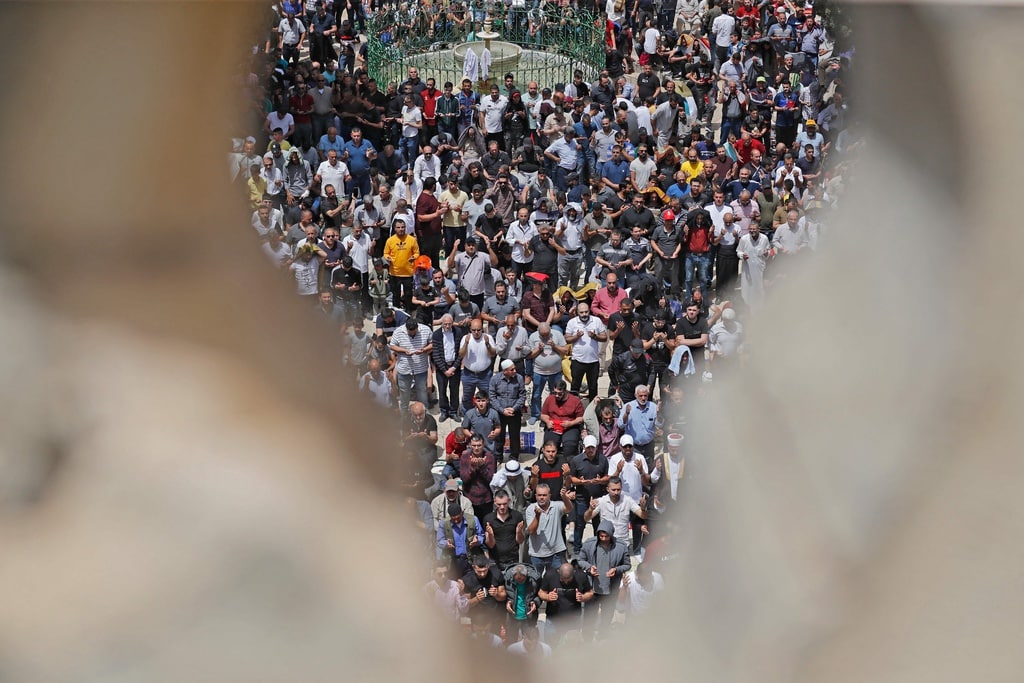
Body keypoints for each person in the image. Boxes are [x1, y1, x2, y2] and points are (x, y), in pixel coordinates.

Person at [576, 519, 630, 641]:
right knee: (589, 616)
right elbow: (580, 560)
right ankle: (587, 639)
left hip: (610, 590)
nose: (604, 538)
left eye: (606, 536)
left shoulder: (621, 547)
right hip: (592, 588)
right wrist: (589, 568)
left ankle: (602, 638)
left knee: (607, 616)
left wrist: (616, 570)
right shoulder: (589, 544)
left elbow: (627, 565)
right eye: (601, 536)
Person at [568, 435, 611, 554]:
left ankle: (598, 547)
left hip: (598, 497)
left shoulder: (603, 459)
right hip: (582, 497)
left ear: (596, 447)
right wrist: (581, 482)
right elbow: (572, 478)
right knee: (580, 524)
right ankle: (577, 549)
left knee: (597, 524)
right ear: (583, 447)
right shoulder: (576, 460)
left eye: (592, 448)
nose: (590, 450)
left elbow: (607, 477)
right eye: (588, 448)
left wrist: (600, 481)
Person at [585, 474, 647, 553]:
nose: (616, 492)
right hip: (606, 544)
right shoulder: (602, 501)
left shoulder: (628, 500)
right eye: (613, 490)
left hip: (623, 544)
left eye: (618, 489)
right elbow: (586, 518)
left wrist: (643, 508)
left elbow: (643, 516)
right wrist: (590, 509)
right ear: (607, 489)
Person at [537, 562, 594, 646]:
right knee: (551, 645)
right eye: (563, 580)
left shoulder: (581, 576)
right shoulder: (550, 575)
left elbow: (590, 592)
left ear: (573, 573)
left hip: (573, 619)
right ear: (558, 572)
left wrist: (583, 597)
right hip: (553, 619)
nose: (566, 582)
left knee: (571, 647)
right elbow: (541, 592)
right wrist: (548, 597)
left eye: (569, 580)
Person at [523, 483, 574, 576]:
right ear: (535, 496)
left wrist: (565, 497)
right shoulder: (531, 509)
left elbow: (569, 508)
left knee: (557, 580)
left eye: (544, 495)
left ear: (549, 496)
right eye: (539, 495)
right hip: (536, 554)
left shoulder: (557, 506)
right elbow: (531, 531)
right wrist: (537, 517)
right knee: (535, 582)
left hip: (556, 553)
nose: (542, 498)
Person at [564, 302, 608, 402]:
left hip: (593, 361)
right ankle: (573, 408)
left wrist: (595, 336)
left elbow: (604, 337)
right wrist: (576, 336)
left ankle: (593, 409)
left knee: (593, 387)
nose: (584, 314)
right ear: (577, 313)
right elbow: (567, 339)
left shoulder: (596, 321)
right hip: (578, 360)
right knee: (575, 386)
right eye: (581, 312)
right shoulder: (572, 322)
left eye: (586, 312)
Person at [526, 323, 568, 426]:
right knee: (536, 395)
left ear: (550, 330)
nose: (545, 336)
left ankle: (553, 413)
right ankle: (536, 414)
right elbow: (529, 355)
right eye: (542, 334)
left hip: (556, 372)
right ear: (538, 331)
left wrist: (554, 346)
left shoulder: (557, 334)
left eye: (547, 334)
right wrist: (539, 349)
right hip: (539, 372)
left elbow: (565, 350)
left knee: (555, 394)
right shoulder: (533, 337)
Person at [389, 316, 432, 415]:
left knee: (422, 389)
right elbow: (392, 346)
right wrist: (404, 351)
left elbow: (432, 343)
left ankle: (424, 410)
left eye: (414, 332)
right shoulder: (398, 332)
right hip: (405, 368)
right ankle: (404, 412)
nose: (412, 334)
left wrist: (424, 350)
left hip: (420, 367)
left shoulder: (425, 329)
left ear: (417, 327)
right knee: (404, 391)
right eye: (410, 333)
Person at [489, 360, 528, 462]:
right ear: (505, 371)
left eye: (515, 368)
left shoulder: (519, 378)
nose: (515, 371)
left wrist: (514, 408)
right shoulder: (495, 379)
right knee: (499, 436)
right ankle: (498, 457)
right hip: (499, 413)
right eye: (512, 369)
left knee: (514, 436)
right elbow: (492, 397)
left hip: (514, 412)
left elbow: (522, 395)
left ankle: (514, 457)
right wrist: (502, 410)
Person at [436, 503, 484, 579]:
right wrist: (446, 544)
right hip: (453, 561)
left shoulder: (473, 520)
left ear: (462, 513)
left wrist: (477, 541)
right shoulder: (444, 523)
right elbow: (439, 541)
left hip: (470, 559)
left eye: (458, 518)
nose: (455, 521)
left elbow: (481, 535)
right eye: (453, 519)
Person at [460, 555, 508, 631]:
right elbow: (466, 604)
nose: (482, 574)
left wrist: (496, 594)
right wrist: (476, 599)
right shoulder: (468, 579)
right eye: (479, 571)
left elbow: (503, 597)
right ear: (474, 567)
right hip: (477, 617)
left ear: (488, 566)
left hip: (494, 615)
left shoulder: (496, 574)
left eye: (484, 571)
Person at [458, 321, 497, 414]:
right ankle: (467, 415)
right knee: (467, 396)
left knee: (486, 396)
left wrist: (487, 344)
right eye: (473, 330)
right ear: (470, 329)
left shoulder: (488, 338)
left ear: (482, 329)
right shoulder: (465, 338)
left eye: (478, 330)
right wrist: (466, 343)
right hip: (468, 374)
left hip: (485, 375)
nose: (476, 332)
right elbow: (461, 354)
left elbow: (493, 354)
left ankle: (487, 415)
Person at [431, 314, 464, 422]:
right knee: (442, 390)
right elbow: (435, 354)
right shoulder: (436, 335)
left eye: (449, 324)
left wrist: (454, 367)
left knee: (454, 390)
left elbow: (460, 352)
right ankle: (444, 410)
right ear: (442, 323)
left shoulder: (458, 332)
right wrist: (445, 370)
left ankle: (454, 411)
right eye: (445, 324)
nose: (447, 326)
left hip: (454, 367)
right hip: (442, 369)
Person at [483, 488, 525, 571]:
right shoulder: (489, 519)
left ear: (509, 501)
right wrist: (491, 535)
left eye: (504, 504)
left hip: (513, 559)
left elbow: (520, 541)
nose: (502, 507)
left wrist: (519, 532)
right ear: (495, 502)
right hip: (495, 560)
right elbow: (490, 545)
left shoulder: (517, 516)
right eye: (499, 504)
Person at [540, 381, 585, 458]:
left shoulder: (575, 401)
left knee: (570, 446)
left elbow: (581, 418)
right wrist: (547, 421)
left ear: (565, 391)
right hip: (554, 427)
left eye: (560, 394)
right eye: (555, 393)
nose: (557, 395)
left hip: (570, 427)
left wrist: (571, 423)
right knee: (550, 446)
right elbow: (543, 415)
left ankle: (567, 465)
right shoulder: (549, 399)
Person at [382, 218, 419, 310]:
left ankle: (408, 311)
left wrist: (413, 257)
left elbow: (417, 252)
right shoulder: (390, 240)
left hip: (408, 272)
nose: (401, 229)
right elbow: (385, 253)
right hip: (394, 272)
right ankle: (396, 310)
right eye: (398, 227)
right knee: (396, 294)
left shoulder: (411, 239)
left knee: (408, 294)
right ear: (394, 228)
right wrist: (388, 258)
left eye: (403, 227)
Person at [459, 433, 497, 519]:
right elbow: (464, 479)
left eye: (479, 445)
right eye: (474, 445)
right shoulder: (465, 457)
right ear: (470, 445)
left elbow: (491, 479)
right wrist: (473, 468)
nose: (476, 448)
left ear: (483, 444)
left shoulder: (490, 457)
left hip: (486, 499)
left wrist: (482, 467)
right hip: (470, 498)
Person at [737, 221, 771, 308]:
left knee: (759, 287)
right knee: (746, 287)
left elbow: (768, 250)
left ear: (758, 229)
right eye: (750, 229)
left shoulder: (764, 238)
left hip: (760, 268)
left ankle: (759, 305)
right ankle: (746, 305)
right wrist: (742, 256)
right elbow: (738, 251)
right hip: (747, 268)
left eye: (754, 229)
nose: (752, 231)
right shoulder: (744, 239)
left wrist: (767, 253)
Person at [608, 338, 652, 404]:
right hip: (626, 391)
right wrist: (615, 383)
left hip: (640, 391)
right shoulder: (622, 358)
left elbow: (652, 372)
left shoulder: (647, 358)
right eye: (635, 352)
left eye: (639, 352)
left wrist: (649, 385)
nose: (637, 354)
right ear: (631, 348)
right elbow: (611, 370)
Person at [503, 565, 541, 640]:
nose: (520, 582)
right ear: (513, 576)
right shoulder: (506, 579)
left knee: (529, 642)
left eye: (522, 580)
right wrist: (507, 603)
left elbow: (541, 594)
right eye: (517, 581)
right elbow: (502, 595)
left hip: (528, 618)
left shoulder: (534, 579)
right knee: (511, 641)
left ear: (527, 576)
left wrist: (535, 603)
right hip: (512, 618)